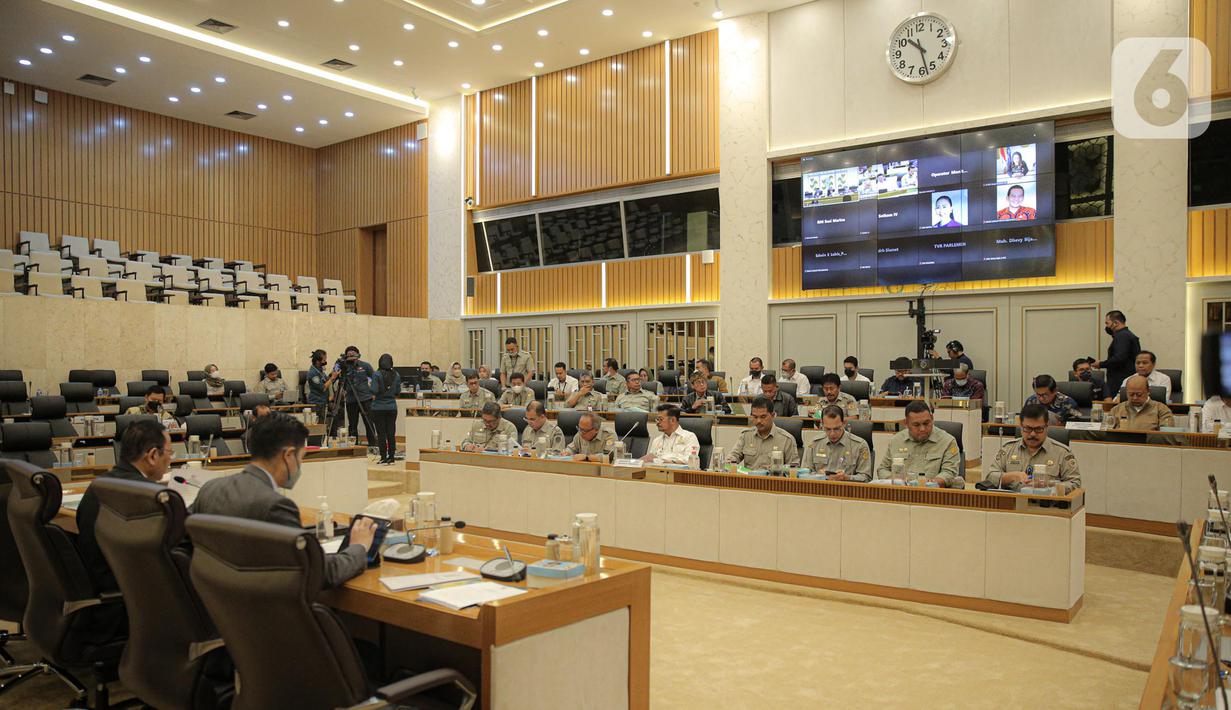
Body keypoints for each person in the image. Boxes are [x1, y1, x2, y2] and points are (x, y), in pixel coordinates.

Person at [190, 413, 377, 589]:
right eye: (301, 458)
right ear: (288, 456)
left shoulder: (210, 489)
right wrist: (358, 547)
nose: (300, 466)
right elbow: (320, 573)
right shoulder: (275, 506)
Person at [77, 419, 173, 594]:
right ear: (152, 455)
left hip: (100, 592)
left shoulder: (99, 484)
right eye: (169, 452)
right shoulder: (152, 495)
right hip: (133, 600)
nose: (170, 459)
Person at [985, 404, 1081, 493]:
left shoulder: (1062, 452)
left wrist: (1050, 486)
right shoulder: (1008, 448)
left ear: (1047, 427)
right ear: (1021, 426)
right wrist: (1011, 476)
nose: (1033, 434)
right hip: (1012, 505)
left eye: (1038, 429)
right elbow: (990, 477)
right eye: (1028, 429)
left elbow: (1075, 484)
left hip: (1047, 506)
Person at [874, 400, 963, 487]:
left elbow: (949, 472)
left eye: (926, 423)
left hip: (933, 495)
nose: (922, 429)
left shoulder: (947, 441)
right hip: (901, 493)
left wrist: (933, 483)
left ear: (932, 419)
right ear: (906, 423)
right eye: (916, 425)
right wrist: (896, 480)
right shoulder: (896, 440)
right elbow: (883, 469)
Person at [802, 405, 872, 481]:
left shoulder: (859, 445)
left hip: (847, 490)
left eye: (836, 429)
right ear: (822, 425)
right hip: (820, 489)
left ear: (844, 423)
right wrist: (818, 475)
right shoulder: (814, 443)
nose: (832, 434)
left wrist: (847, 477)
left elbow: (866, 477)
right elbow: (804, 473)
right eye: (828, 429)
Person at [726, 396, 800, 468]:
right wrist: (730, 460)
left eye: (763, 417)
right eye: (755, 417)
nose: (758, 421)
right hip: (750, 479)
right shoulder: (746, 435)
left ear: (773, 415)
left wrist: (777, 468)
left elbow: (794, 468)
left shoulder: (787, 439)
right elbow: (734, 455)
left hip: (774, 479)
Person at [1094, 310, 1140, 396]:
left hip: (1120, 380)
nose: (1106, 326)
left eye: (1107, 323)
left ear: (1115, 323)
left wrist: (1101, 364)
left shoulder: (1122, 336)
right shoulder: (1127, 335)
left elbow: (1119, 358)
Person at [1108, 375, 1173, 430]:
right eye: (1131, 394)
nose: (1135, 398)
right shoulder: (1116, 410)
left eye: (1139, 394)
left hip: (1149, 444)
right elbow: (1106, 432)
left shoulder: (1162, 410)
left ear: (1148, 391)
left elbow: (1167, 436)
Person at [370, 354, 401, 465]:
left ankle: (383, 457)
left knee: (381, 433)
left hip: (378, 407)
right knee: (391, 433)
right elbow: (398, 392)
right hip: (392, 407)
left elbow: (374, 390)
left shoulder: (377, 374)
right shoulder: (396, 375)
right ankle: (391, 457)